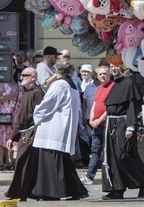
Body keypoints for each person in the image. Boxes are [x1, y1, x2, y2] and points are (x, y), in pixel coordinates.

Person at [31, 58, 88, 200]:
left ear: (57, 71)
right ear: (71, 71)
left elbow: (48, 104)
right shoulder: (72, 85)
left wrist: (36, 114)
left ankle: (53, 192)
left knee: (52, 162)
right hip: (63, 128)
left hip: (53, 129)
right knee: (62, 162)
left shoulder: (59, 85)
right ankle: (74, 190)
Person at [101, 65, 144, 200]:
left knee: (122, 156)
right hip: (111, 124)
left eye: (116, 65)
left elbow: (132, 107)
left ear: (124, 66)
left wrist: (130, 126)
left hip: (123, 123)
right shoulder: (115, 83)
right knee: (111, 158)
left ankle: (143, 181)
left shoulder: (129, 83)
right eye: (111, 66)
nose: (114, 68)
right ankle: (117, 190)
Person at [5, 67, 45, 201]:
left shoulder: (37, 92)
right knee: (24, 162)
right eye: (21, 75)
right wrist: (13, 136)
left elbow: (40, 115)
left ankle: (19, 193)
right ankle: (26, 191)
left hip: (33, 131)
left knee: (23, 161)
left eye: (24, 75)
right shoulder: (25, 91)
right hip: (25, 131)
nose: (21, 77)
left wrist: (36, 132)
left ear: (33, 77)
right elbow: (21, 116)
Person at [80, 65, 113, 185]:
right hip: (96, 125)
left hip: (107, 124)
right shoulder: (98, 88)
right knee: (95, 152)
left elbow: (111, 107)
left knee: (109, 152)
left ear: (109, 75)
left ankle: (109, 177)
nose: (103, 76)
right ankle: (89, 176)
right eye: (100, 74)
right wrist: (91, 119)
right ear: (97, 76)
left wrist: (99, 120)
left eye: (105, 73)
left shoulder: (113, 87)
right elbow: (94, 104)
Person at [0, 81, 21, 171]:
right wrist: (9, 96)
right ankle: (0, 163)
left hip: (14, 116)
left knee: (11, 140)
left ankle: (9, 162)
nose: (13, 69)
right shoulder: (1, 83)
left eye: (14, 66)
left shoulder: (18, 84)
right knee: (1, 141)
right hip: (3, 115)